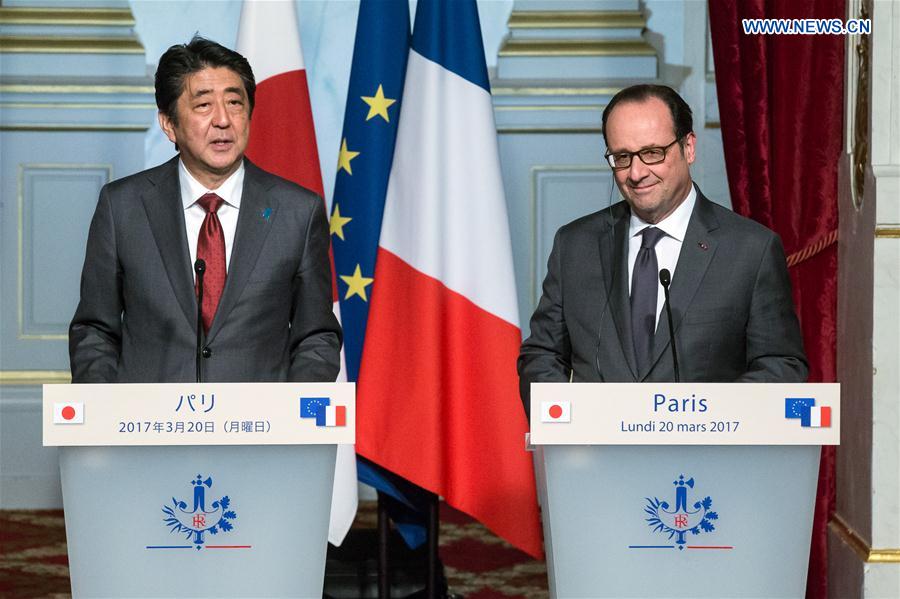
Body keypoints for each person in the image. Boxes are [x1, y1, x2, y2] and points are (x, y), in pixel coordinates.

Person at [518, 84, 807, 415]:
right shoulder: (575, 244)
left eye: (652, 152)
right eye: (622, 157)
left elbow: (781, 366)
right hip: (597, 460)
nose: (637, 173)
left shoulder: (750, 249)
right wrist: (571, 424)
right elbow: (541, 355)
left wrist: (700, 416)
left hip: (703, 460)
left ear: (689, 147)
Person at [69, 36, 341, 383]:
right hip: (150, 430)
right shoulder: (122, 207)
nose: (223, 120)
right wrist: (107, 417)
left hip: (259, 430)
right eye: (203, 106)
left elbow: (316, 337)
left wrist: (294, 420)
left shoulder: (297, 212)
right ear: (169, 124)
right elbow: (95, 331)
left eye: (234, 102)